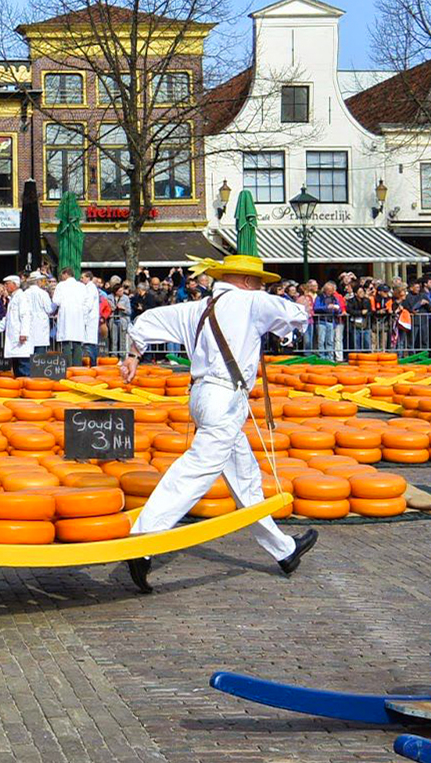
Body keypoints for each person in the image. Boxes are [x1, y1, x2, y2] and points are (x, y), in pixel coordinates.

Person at [118, 254, 317, 593]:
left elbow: (147, 321)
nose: (261, 286)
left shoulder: (198, 308)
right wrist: (303, 302)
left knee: (245, 479)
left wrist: (133, 357)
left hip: (203, 396)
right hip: (224, 399)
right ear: (246, 280)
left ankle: (284, 550)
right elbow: (297, 317)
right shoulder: (252, 301)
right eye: (259, 281)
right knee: (197, 469)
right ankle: (144, 540)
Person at [52, 268, 96, 367]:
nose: (61, 277)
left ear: (66, 274)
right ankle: (78, 366)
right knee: (77, 342)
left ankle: (67, 366)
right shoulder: (81, 286)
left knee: (66, 342)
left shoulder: (61, 285)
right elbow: (87, 302)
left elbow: (56, 301)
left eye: (62, 275)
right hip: (78, 316)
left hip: (65, 315)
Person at [0, 275, 36, 377]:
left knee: (23, 366)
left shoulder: (21, 297)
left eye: (7, 283)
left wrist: (24, 333)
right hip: (14, 338)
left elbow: (25, 316)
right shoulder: (13, 298)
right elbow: (8, 319)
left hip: (20, 338)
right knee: (17, 367)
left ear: (15, 285)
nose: (5, 286)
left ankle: (25, 388)